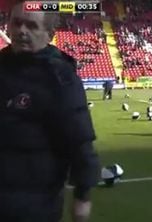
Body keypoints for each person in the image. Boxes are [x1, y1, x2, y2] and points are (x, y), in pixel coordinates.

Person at [0, 2, 99, 222]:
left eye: (31, 26)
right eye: (16, 23)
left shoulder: (60, 77)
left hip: (35, 204)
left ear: (49, 34)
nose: (21, 31)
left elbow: (80, 139)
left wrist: (82, 195)